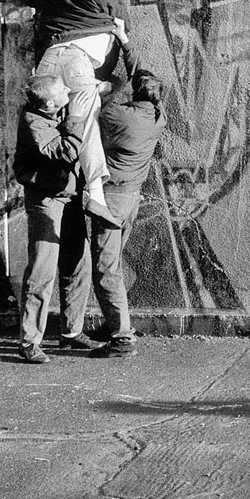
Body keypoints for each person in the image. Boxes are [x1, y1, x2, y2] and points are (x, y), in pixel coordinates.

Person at [23, 0, 121, 228]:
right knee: (87, 124)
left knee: (42, 120)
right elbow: (120, 20)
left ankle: (45, 186)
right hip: (78, 62)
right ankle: (95, 194)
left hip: (49, 61)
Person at [13, 74, 101, 364]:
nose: (68, 90)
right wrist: (76, 116)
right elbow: (66, 151)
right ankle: (29, 342)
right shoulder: (33, 123)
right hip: (45, 200)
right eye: (64, 89)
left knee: (79, 262)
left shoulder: (53, 108)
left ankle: (71, 333)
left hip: (69, 195)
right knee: (42, 270)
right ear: (50, 103)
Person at [84, 72, 167, 359]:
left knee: (106, 269)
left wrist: (114, 86)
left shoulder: (117, 115)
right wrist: (126, 43)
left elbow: (98, 107)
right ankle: (114, 325)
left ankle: (122, 337)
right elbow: (144, 78)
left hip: (111, 200)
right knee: (114, 263)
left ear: (135, 93)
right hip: (131, 198)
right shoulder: (158, 116)